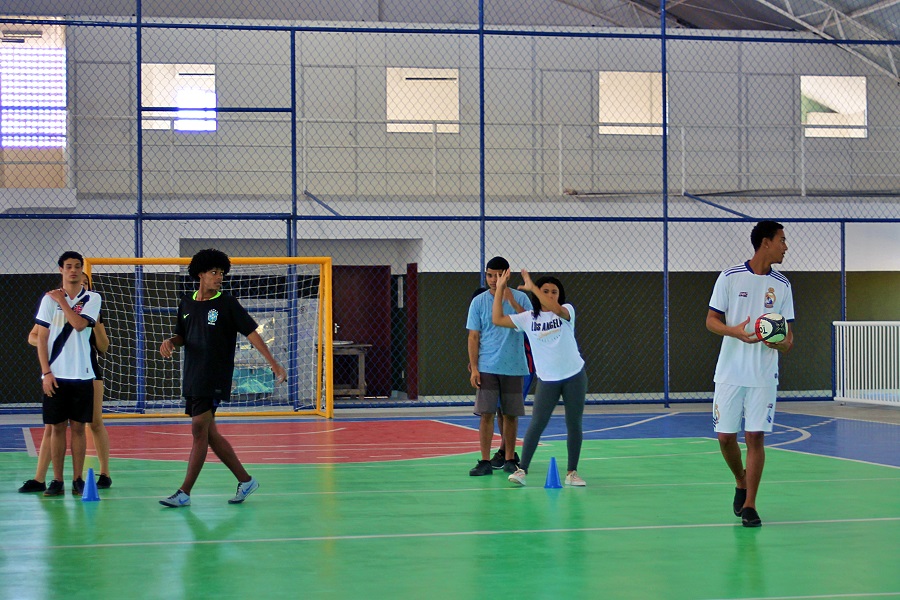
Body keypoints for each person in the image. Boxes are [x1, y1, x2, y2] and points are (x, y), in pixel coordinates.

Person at [158, 248, 287, 507]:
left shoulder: (226, 303)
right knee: (210, 435)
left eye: (221, 273)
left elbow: (252, 333)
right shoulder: (186, 303)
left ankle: (184, 492)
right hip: (193, 376)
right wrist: (171, 341)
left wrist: (274, 364)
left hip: (214, 376)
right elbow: (182, 336)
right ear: (200, 275)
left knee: (198, 430)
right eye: (214, 272)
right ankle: (246, 480)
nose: (219, 277)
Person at [706, 220, 794, 528]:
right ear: (766, 242)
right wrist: (735, 332)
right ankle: (740, 480)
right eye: (782, 240)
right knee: (725, 437)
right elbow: (711, 321)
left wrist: (779, 343)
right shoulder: (730, 277)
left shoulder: (782, 286)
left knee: (755, 436)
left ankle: (751, 505)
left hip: (763, 375)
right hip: (730, 372)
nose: (786, 246)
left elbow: (789, 339)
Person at [492, 268, 588, 487]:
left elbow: (553, 308)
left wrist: (532, 286)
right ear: (538, 295)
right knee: (537, 424)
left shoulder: (566, 312)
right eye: (546, 291)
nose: (551, 294)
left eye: (554, 291)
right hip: (547, 380)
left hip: (574, 376)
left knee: (574, 423)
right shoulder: (528, 318)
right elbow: (497, 318)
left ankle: (572, 472)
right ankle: (522, 470)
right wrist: (499, 290)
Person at [19, 274, 112, 491]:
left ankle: (105, 473)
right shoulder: (53, 307)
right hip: (60, 371)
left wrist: (95, 325)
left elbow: (104, 347)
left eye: (85, 282)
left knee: (94, 423)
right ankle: (41, 478)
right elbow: (34, 336)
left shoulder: (92, 308)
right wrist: (49, 342)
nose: (81, 284)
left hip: (88, 371)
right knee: (53, 427)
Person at [33, 251, 102, 497]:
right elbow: (40, 339)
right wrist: (46, 373)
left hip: (82, 374)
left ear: (82, 270)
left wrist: (63, 302)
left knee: (80, 428)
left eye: (77, 266)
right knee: (57, 428)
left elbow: (80, 324)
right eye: (68, 266)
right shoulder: (47, 300)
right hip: (56, 375)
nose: (73, 270)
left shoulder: (92, 298)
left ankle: (78, 479)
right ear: (60, 270)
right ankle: (57, 480)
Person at [466, 257, 532, 476]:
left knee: (511, 414)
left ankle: (510, 458)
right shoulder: (479, 302)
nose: (494, 280)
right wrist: (475, 367)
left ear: (507, 275)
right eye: (490, 275)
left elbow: (530, 324)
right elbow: (474, 336)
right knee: (487, 414)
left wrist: (511, 299)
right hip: (487, 366)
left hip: (514, 366)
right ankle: (484, 460)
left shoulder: (521, 298)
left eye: (498, 275)